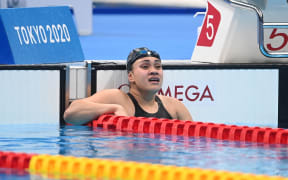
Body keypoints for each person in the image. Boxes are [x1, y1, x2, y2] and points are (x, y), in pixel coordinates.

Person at [64, 47, 193, 125]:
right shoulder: (118, 98)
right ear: (131, 76)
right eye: (145, 66)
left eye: (158, 66)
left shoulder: (174, 106)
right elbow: (71, 113)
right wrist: (114, 108)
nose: (154, 70)